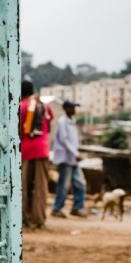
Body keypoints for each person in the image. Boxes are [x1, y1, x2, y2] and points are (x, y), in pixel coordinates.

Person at [19, 79, 53, 230]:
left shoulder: (21, 107)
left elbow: (18, 130)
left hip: (26, 150)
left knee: (24, 186)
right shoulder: (44, 106)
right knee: (41, 186)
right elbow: (49, 127)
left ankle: (24, 218)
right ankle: (39, 219)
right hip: (43, 150)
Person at [50, 99, 87, 218]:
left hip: (73, 158)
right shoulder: (62, 122)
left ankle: (77, 207)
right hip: (65, 158)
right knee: (63, 185)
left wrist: (76, 153)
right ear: (65, 109)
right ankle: (57, 208)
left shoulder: (72, 121)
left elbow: (73, 140)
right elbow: (65, 140)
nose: (74, 110)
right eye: (71, 107)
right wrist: (76, 153)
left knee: (80, 183)